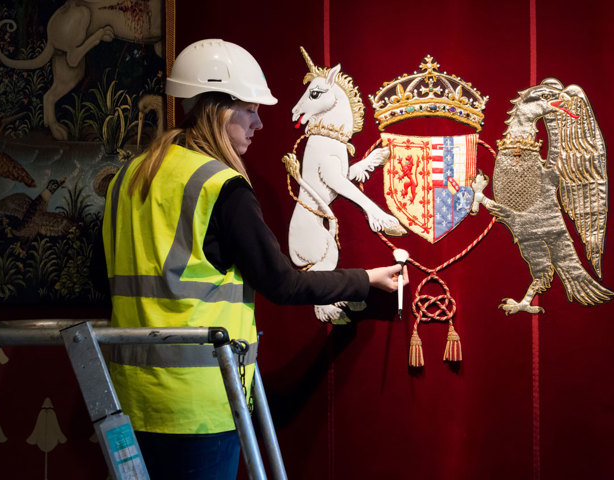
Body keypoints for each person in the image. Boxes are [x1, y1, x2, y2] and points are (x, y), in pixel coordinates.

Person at [102, 39, 407, 479]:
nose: (259, 123)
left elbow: (107, 279)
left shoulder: (127, 178)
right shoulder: (220, 185)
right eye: (250, 110)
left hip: (130, 402)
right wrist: (366, 279)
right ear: (218, 110)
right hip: (200, 406)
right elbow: (282, 283)